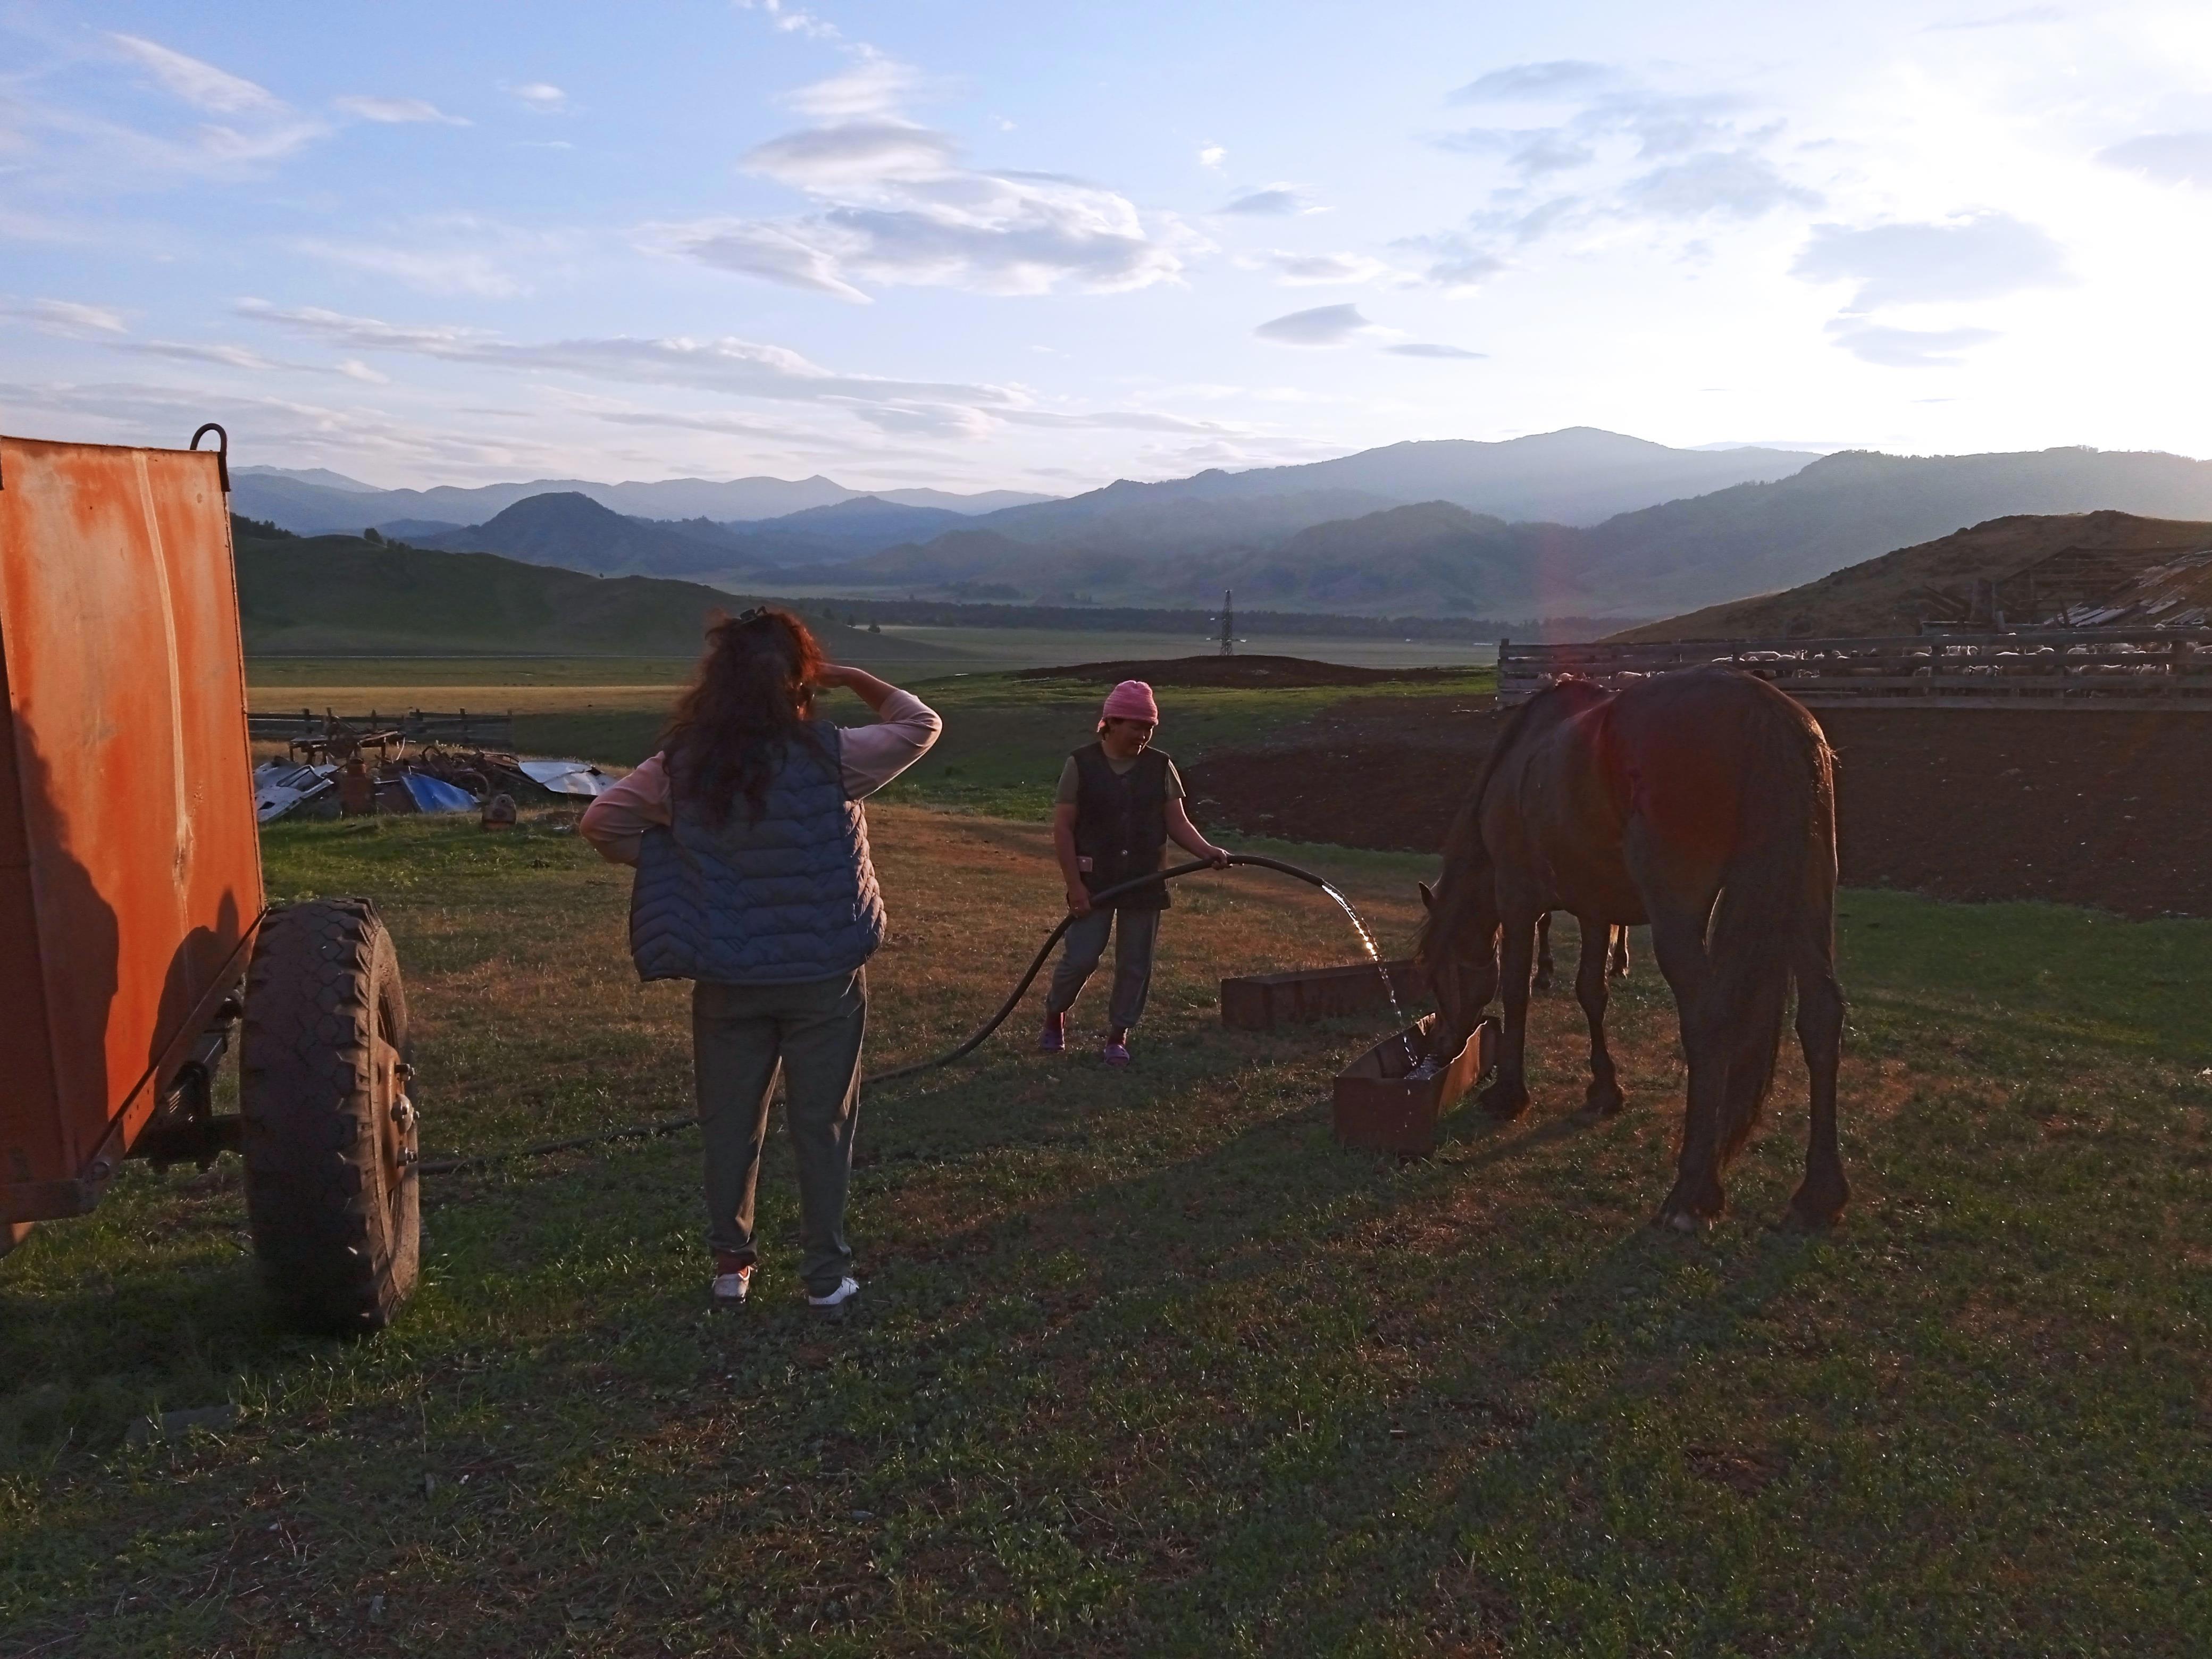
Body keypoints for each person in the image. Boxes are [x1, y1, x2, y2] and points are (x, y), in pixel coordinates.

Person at [580, 609, 940, 1313]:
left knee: (730, 1122)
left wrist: (674, 859)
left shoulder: (682, 765)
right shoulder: (831, 753)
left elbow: (601, 823)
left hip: (728, 977)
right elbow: (920, 724)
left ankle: (730, 1267)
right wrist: (851, 676)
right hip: (825, 978)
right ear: (797, 680)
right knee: (823, 1122)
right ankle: (827, 1277)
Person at [1041, 679, 1230, 1067]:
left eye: (1149, 729)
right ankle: (1055, 1016)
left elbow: (1177, 823)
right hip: (1094, 881)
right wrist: (1075, 887)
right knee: (1081, 957)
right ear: (1110, 722)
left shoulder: (1161, 766)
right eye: (1136, 726)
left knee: (1134, 962)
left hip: (1145, 880)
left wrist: (1208, 851)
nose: (1143, 736)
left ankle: (1118, 1034)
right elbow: (1063, 828)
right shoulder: (1081, 764)